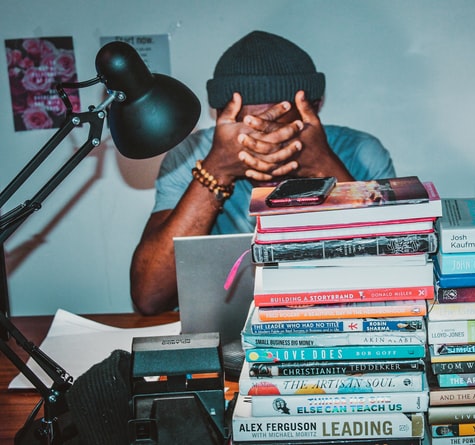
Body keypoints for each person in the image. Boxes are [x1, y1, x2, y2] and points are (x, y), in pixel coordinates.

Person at [130, 30, 396, 315]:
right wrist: (216, 170)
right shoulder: (191, 157)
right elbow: (150, 296)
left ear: (314, 110)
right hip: (226, 327)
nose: (260, 144)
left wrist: (324, 166)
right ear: (220, 117)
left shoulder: (358, 152)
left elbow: (394, 276)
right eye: (245, 131)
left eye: (277, 128)